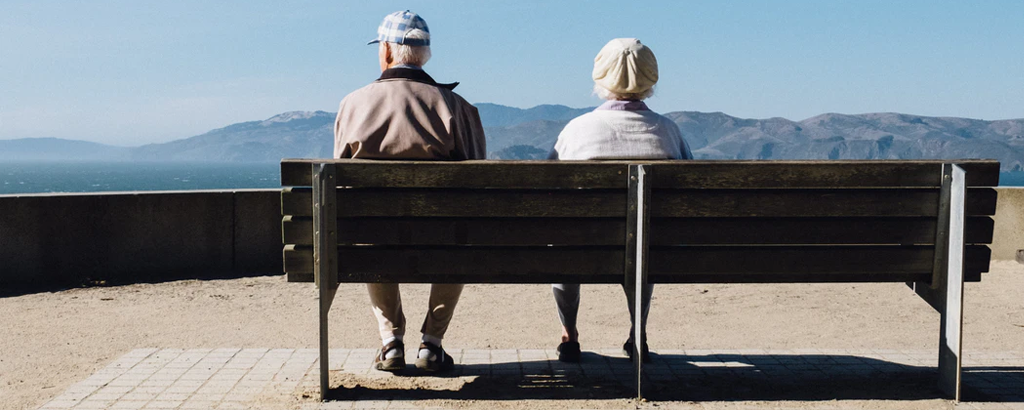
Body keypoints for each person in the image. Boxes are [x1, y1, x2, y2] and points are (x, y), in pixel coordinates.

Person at [333, 10, 486, 372]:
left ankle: (390, 343)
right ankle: (432, 343)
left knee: (368, 233)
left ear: (386, 51)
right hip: (443, 237)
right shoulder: (457, 108)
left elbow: (338, 182)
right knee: (458, 237)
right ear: (425, 55)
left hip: (375, 237)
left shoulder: (353, 104)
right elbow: (480, 181)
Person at [549, 38, 693, 363]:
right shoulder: (669, 132)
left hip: (583, 248)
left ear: (599, 78)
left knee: (564, 246)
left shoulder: (577, 131)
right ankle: (637, 332)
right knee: (643, 243)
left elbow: (548, 193)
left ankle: (569, 335)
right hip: (650, 250)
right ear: (651, 78)